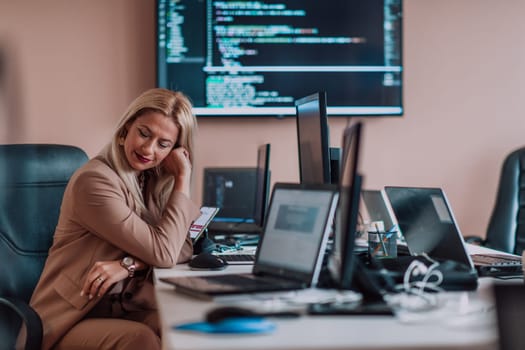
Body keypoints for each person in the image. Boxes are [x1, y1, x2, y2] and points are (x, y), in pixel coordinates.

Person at [26, 88, 201, 349]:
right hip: (69, 319)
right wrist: (182, 179)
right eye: (144, 133)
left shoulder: (150, 181)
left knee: (182, 325)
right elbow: (165, 252)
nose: (148, 148)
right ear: (125, 129)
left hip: (117, 307)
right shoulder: (94, 181)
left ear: (174, 151)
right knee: (141, 340)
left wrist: (129, 264)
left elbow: (182, 248)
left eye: (163, 144)